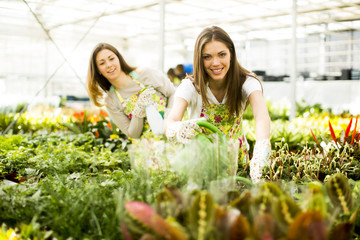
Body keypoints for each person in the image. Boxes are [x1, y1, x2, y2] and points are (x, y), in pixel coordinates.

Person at [164, 26, 271, 183]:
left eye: (222, 54)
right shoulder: (191, 86)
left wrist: (261, 149)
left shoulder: (246, 81)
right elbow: (170, 121)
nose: (215, 63)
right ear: (199, 59)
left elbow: (261, 116)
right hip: (201, 165)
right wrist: (177, 128)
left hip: (237, 164)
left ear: (231, 54)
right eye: (207, 57)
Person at [86, 42, 175, 139]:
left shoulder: (145, 74)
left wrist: (169, 117)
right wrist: (139, 109)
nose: (109, 65)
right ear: (98, 70)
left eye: (111, 59)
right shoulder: (110, 100)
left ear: (119, 59)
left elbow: (173, 93)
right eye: (102, 63)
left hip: (174, 132)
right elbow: (133, 134)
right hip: (151, 148)